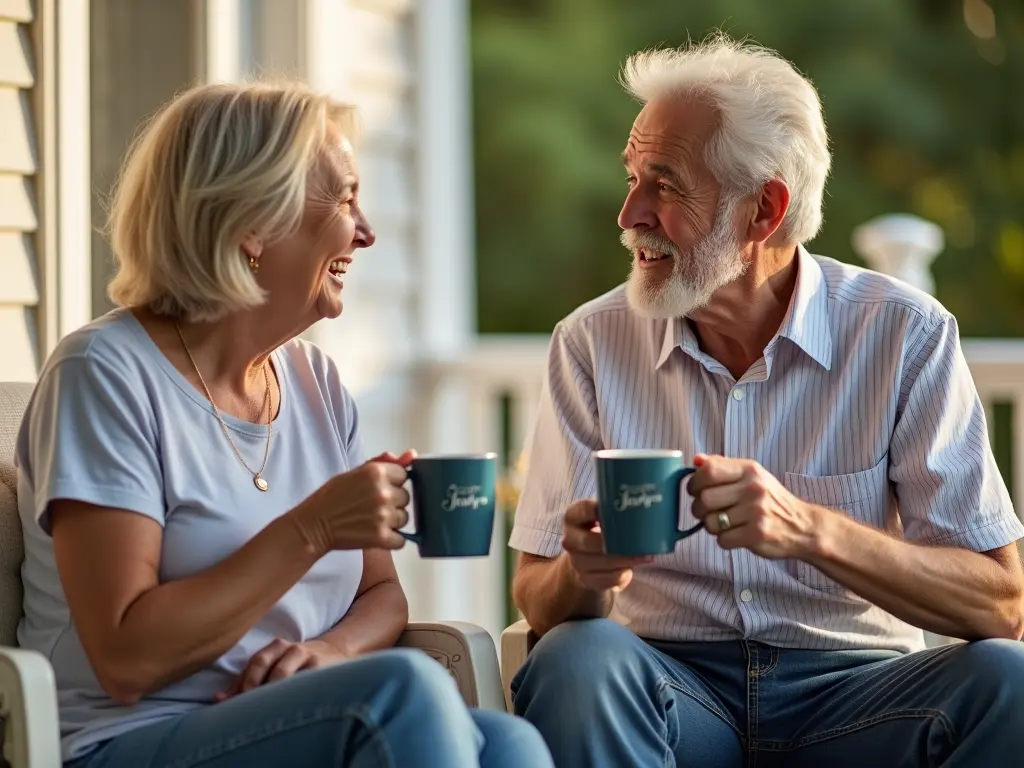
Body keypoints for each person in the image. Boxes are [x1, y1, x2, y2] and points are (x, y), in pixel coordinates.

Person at [509, 35, 1024, 767]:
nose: (629, 214)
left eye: (665, 183)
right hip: (669, 687)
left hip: (858, 693)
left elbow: (1001, 603)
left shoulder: (904, 335)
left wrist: (807, 530)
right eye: (632, 178)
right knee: (576, 655)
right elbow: (537, 597)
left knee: (1008, 682)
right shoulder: (591, 343)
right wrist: (584, 577)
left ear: (764, 211)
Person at [16, 81, 552, 768]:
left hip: (295, 726)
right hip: (127, 741)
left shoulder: (316, 384)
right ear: (252, 225)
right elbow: (126, 656)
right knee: (398, 692)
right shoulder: (104, 374)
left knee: (511, 743)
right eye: (347, 199)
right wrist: (313, 528)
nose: (367, 232)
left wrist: (331, 653)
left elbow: (381, 593)